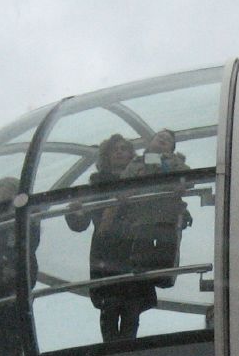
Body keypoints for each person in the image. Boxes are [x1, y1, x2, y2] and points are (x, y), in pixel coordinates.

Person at [67, 134, 155, 342]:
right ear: (106, 156)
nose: (119, 152)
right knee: (110, 304)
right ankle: (113, 350)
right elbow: (80, 223)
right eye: (115, 149)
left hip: (132, 246)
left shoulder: (141, 179)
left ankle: (123, 349)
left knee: (130, 306)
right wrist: (76, 211)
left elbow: (153, 210)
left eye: (124, 148)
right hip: (108, 248)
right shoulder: (97, 183)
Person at [120, 129, 191, 290]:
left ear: (172, 148)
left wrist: (172, 167)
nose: (163, 139)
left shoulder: (175, 162)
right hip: (142, 216)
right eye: (160, 137)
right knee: (141, 250)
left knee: (166, 251)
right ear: (150, 143)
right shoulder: (138, 162)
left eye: (168, 140)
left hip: (167, 215)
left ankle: (165, 277)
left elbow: (188, 179)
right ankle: (142, 277)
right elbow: (124, 183)